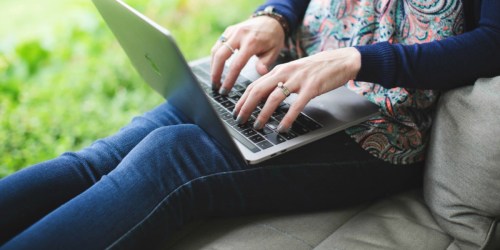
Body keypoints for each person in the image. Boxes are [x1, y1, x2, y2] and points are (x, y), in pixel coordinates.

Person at [0, 0, 498, 249]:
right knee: (101, 159)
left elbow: (492, 42)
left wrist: (357, 62)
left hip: (381, 125)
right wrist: (277, 16)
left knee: (173, 158)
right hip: (290, 70)